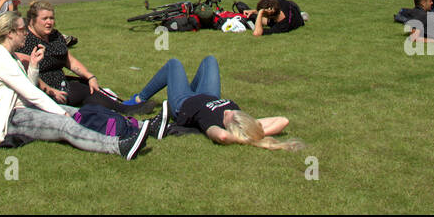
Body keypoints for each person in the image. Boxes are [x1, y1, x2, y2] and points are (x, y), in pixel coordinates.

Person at [0, 12, 156, 159]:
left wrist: (32, 65)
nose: (26, 32)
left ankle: (142, 127)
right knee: (65, 124)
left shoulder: (11, 56)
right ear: (10, 33)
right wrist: (60, 112)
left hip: (23, 109)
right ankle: (118, 147)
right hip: (10, 120)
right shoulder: (0, 60)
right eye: (22, 29)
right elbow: (31, 93)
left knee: (79, 113)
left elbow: (28, 88)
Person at [119, 56, 303, 150]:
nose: (227, 111)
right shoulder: (247, 123)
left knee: (174, 64)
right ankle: (182, 85)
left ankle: (139, 99)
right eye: (231, 111)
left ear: (231, 128)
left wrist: (239, 139)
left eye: (228, 116)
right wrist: (252, 134)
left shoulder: (214, 126)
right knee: (210, 60)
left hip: (183, 103)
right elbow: (283, 120)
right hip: (208, 94)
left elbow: (222, 137)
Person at [17, 0, 149, 113]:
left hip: (60, 81)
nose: (49, 22)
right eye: (44, 19)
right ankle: (124, 110)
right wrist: (50, 90)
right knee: (85, 92)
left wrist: (89, 76)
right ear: (32, 21)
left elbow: (69, 60)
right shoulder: (26, 40)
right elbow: (26, 72)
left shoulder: (54, 35)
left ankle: (118, 108)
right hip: (43, 89)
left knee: (88, 86)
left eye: (51, 18)